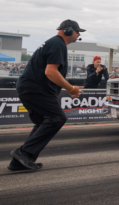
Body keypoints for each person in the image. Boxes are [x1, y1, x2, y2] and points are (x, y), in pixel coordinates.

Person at [8, 19, 84, 171]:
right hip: (35, 89)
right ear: (68, 30)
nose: (78, 35)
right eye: (78, 32)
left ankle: (20, 161)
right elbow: (50, 71)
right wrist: (70, 88)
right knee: (57, 118)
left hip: (31, 88)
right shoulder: (58, 44)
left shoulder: (54, 43)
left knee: (44, 121)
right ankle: (23, 153)